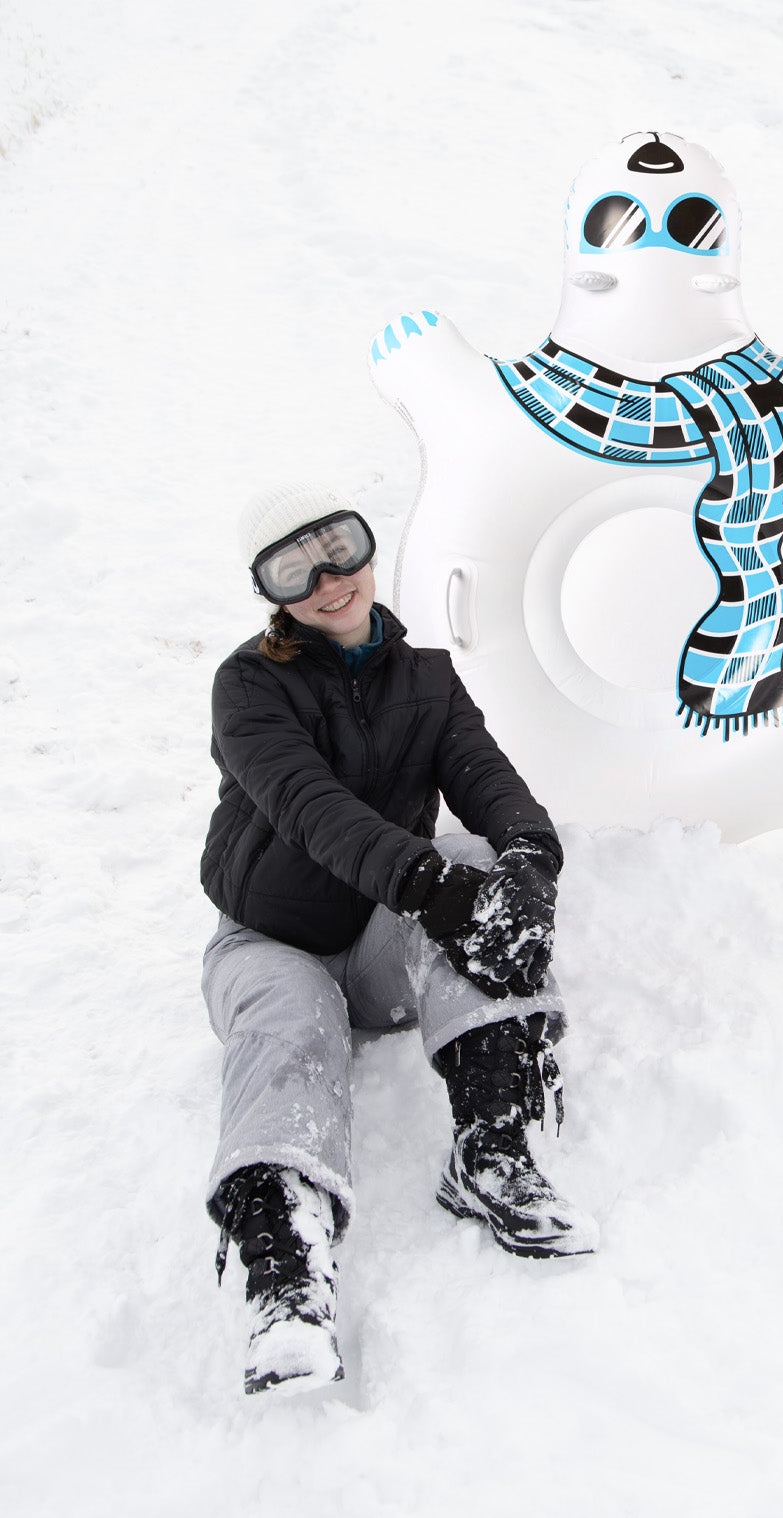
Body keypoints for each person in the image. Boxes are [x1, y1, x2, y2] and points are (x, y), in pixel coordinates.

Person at [199, 481, 597, 1395]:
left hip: (377, 935)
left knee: (478, 860)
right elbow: (310, 808)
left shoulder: (425, 677)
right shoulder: (250, 684)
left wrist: (529, 867)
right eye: (294, 568)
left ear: (368, 548)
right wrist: (435, 889)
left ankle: (493, 1149)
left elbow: (486, 777)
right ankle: (287, 1275)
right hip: (270, 939)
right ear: (273, 593)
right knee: (292, 1021)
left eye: (339, 547)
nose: (329, 580)